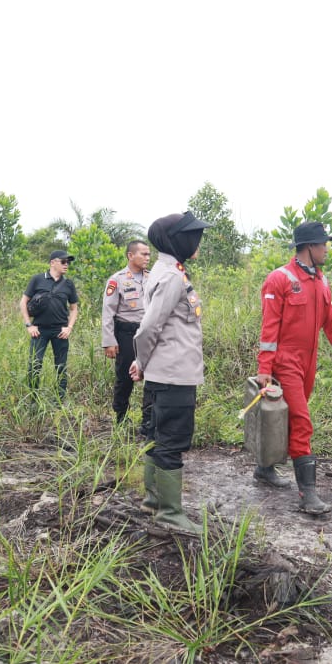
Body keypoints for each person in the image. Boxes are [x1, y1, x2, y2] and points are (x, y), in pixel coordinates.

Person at [256, 221, 332, 515]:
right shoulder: (279, 280)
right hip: (285, 361)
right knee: (302, 420)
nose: (326, 249)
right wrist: (265, 366)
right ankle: (308, 495)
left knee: (289, 417)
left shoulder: (321, 281)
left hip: (309, 361)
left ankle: (264, 468)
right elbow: (269, 328)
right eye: (323, 245)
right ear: (309, 248)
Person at [130, 211, 212, 534]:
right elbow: (150, 327)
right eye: (194, 237)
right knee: (171, 441)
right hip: (174, 375)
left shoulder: (166, 270)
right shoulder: (172, 276)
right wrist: (142, 361)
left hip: (165, 373)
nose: (198, 242)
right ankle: (170, 513)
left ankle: (153, 500)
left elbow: (152, 324)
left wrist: (142, 362)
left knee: (156, 435)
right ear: (180, 241)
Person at [101, 240, 152, 426]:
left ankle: (148, 418)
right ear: (131, 255)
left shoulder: (152, 277)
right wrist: (109, 341)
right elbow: (108, 312)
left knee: (153, 375)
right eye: (143, 254)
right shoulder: (117, 280)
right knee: (125, 377)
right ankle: (121, 417)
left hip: (149, 333)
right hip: (126, 333)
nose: (147, 258)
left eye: (148, 254)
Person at [20, 250, 79, 400]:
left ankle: (60, 400)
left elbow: (74, 308)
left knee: (61, 366)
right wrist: (29, 325)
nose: (67, 265)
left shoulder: (68, 284)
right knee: (35, 365)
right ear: (53, 262)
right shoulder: (37, 279)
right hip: (39, 330)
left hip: (60, 331)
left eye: (68, 262)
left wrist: (69, 328)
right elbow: (23, 302)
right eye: (63, 262)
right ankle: (33, 399)